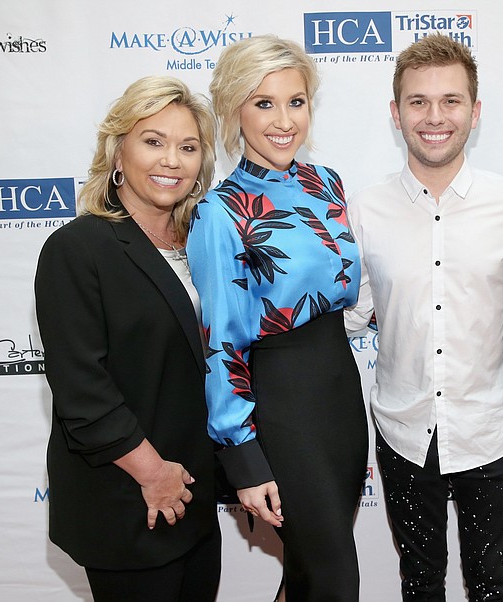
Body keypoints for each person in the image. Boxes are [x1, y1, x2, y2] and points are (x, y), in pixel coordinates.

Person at [344, 35, 503, 601]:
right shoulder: (364, 209)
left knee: (492, 585)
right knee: (420, 585)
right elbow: (351, 315)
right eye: (418, 101)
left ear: (474, 113)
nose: (435, 117)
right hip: (403, 433)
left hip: (490, 431)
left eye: (451, 101)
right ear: (396, 112)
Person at [186, 35, 368, 601]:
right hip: (281, 405)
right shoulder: (220, 211)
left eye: (296, 101)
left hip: (339, 392)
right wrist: (241, 452)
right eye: (263, 103)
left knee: (309, 577)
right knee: (337, 581)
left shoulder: (327, 184)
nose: (284, 120)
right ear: (235, 111)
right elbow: (221, 340)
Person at [34, 76, 220, 602]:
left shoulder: (199, 243)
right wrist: (153, 473)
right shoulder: (78, 248)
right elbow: (81, 388)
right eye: (153, 141)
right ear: (119, 151)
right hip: (128, 496)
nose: (171, 160)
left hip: (192, 492)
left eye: (188, 147)